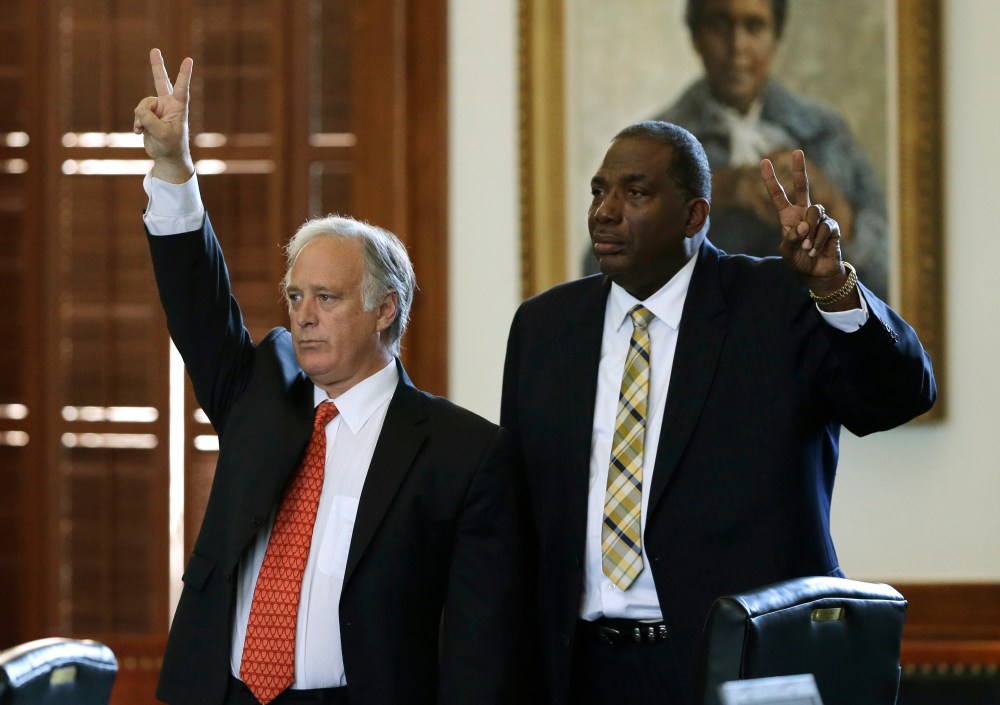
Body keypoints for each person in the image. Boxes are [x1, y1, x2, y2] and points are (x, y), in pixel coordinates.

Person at [500, 120, 935, 705]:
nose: (605, 211)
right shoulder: (545, 328)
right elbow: (520, 510)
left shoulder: (779, 303)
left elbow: (899, 394)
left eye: (635, 193)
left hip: (742, 663)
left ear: (695, 216)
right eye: (599, 191)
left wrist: (833, 285)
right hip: (582, 667)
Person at [133, 49, 520, 705]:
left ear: (384, 308)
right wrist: (173, 167)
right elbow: (200, 307)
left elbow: (478, 644)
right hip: (219, 692)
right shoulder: (262, 394)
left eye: (327, 298)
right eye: (294, 296)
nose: (302, 316)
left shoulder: (463, 454)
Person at [653, 0, 890, 300]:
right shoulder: (657, 141)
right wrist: (705, 195)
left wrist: (833, 207)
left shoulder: (824, 133)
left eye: (754, 27)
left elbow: (895, 276)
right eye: (719, 25)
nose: (737, 45)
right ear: (695, 36)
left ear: (776, 37)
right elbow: (601, 273)